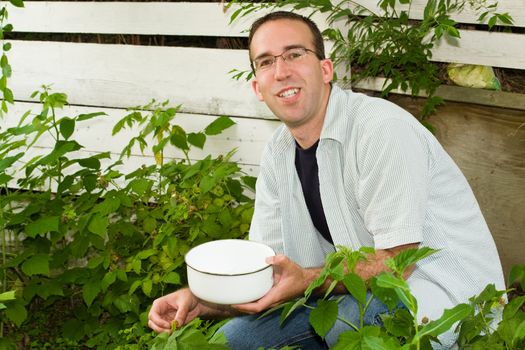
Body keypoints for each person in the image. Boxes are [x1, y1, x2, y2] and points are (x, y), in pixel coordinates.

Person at [148, 11, 505, 349]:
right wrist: (199, 300)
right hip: (345, 293)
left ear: (325, 69)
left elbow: (398, 263)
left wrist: (308, 281)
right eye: (266, 61)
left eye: (294, 54)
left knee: (342, 324)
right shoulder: (278, 153)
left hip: (437, 295)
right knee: (231, 340)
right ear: (258, 87)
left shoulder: (379, 129)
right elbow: (268, 274)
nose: (281, 71)